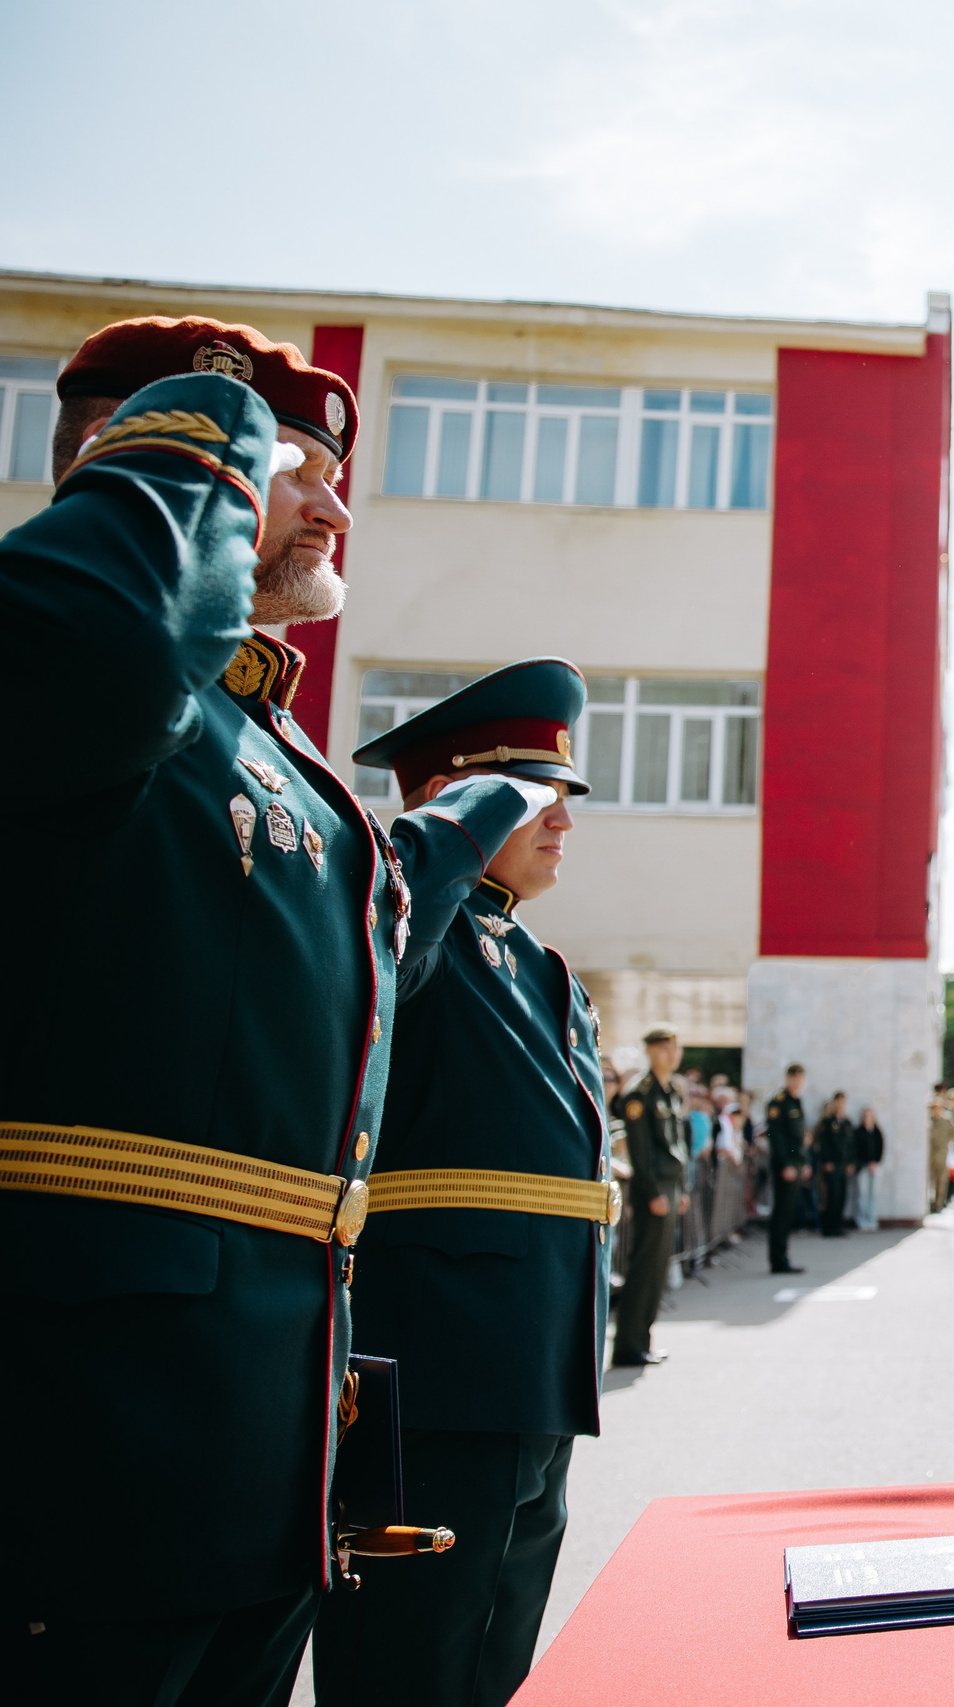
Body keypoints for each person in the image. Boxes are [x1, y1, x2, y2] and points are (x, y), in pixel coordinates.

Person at [0, 329, 543, 1705]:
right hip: (77, 1442)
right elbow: (110, 648)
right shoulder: (92, 655)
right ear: (147, 455)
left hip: (264, 1459)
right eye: (296, 464)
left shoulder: (276, 751)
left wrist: (468, 813)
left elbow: (379, 942)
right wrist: (201, 433)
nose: (334, 506)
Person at [314, 660, 609, 1706]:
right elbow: (382, 932)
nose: (563, 824)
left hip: (536, 1364)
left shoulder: (541, 966)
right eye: (536, 801)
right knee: (410, 1659)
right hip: (438, 1365)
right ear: (461, 805)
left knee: (495, 1658)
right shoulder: (410, 916)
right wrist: (461, 823)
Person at [614, 1029, 691, 1367]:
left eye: (676, 1047)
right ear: (651, 1051)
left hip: (671, 1188)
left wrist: (683, 1188)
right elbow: (641, 1152)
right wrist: (652, 1192)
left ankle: (643, 1340)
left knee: (658, 1269)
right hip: (654, 1190)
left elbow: (679, 1144)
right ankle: (629, 1345)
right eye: (666, 1048)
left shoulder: (671, 1091)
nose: (673, 1053)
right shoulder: (639, 1094)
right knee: (644, 1267)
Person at [765, 1066, 810, 1273]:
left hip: (796, 1163)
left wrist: (804, 1162)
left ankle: (783, 1256)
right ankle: (778, 1260)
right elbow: (777, 1137)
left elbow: (801, 1138)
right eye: (794, 1078)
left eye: (801, 1078)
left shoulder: (796, 1102)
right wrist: (787, 1164)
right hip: (786, 1165)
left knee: (788, 1211)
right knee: (782, 1212)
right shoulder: (779, 1103)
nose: (797, 1082)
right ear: (788, 1078)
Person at [813, 1092, 855, 1237]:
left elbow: (851, 1145)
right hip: (831, 1165)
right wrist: (826, 1161)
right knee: (831, 1196)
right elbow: (823, 1144)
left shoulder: (847, 1123)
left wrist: (851, 1163)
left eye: (843, 1102)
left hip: (843, 1165)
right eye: (839, 1102)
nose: (841, 1105)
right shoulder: (827, 1122)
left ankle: (837, 1226)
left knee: (842, 1195)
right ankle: (828, 1227)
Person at [853, 1103, 886, 1229]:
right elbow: (856, 1149)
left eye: (870, 1115)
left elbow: (880, 1148)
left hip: (874, 1167)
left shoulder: (877, 1132)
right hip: (862, 1167)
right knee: (862, 1193)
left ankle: (871, 1218)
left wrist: (875, 1162)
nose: (868, 1118)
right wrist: (865, 1162)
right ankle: (861, 1219)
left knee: (874, 1194)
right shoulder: (858, 1132)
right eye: (866, 1115)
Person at [927, 1084, 954, 1212]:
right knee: (930, 1179)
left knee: (942, 1179)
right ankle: (930, 1202)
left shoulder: (948, 1120)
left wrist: (950, 1149)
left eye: (938, 1107)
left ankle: (939, 1203)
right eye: (934, 1107)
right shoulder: (928, 1121)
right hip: (930, 1154)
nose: (936, 1109)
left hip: (943, 1153)